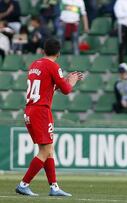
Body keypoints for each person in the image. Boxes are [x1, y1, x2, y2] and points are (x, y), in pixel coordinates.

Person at [15, 38, 84, 196]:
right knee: (45, 151)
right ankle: (23, 184)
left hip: (30, 110)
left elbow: (48, 86)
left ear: (43, 51)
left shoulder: (34, 65)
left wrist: (62, 81)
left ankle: (54, 187)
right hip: (41, 111)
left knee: (48, 149)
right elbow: (66, 90)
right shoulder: (53, 66)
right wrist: (71, 81)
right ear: (58, 53)